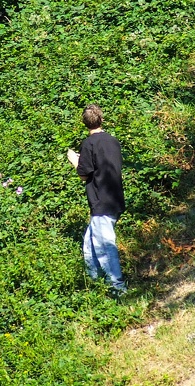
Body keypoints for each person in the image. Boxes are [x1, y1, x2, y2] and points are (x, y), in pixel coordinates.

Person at [67, 104, 127, 295]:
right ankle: (94, 284)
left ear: (85, 123)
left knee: (105, 246)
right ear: (101, 119)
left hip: (101, 201)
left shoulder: (88, 144)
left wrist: (74, 160)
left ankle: (118, 288)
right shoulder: (113, 140)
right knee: (89, 244)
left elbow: (84, 175)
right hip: (115, 197)